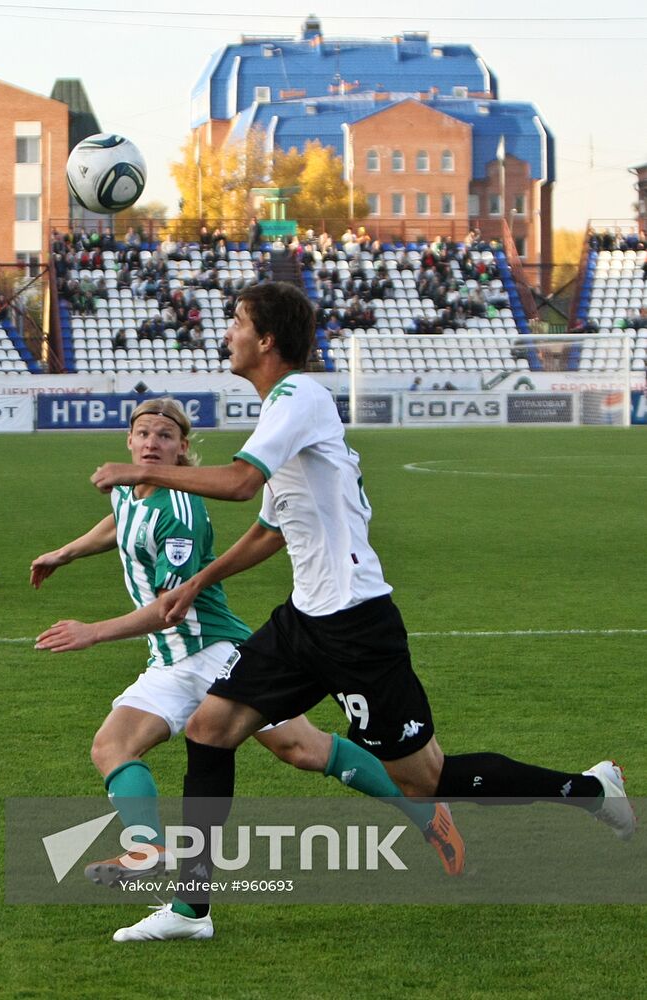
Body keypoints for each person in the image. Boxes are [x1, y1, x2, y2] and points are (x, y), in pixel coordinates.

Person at [91, 281, 635, 942]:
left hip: (354, 625)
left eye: (236, 321)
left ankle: (589, 791)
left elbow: (238, 484)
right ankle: (190, 910)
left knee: (426, 779)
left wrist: (135, 471)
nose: (226, 331)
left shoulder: (300, 396)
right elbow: (268, 528)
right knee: (210, 729)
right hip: (304, 620)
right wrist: (196, 582)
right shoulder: (279, 412)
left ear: (264, 339)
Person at [33, 398, 460, 894]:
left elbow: (173, 604)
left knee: (303, 749)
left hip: (216, 652)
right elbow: (119, 524)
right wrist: (65, 553)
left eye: (164, 436)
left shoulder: (179, 513)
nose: (152, 442)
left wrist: (94, 631)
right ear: (129, 441)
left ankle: (429, 813)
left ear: (182, 449)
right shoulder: (127, 488)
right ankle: (147, 850)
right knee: (112, 746)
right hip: (170, 660)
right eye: (144, 433)